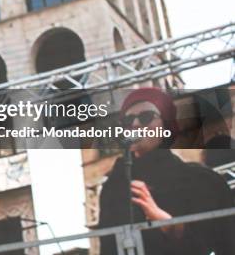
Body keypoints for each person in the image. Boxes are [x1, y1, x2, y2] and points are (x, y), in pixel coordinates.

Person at [97, 87, 235, 254]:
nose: (135, 125)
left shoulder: (203, 181)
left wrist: (170, 225)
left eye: (146, 117)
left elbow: (223, 244)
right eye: (127, 121)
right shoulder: (113, 188)